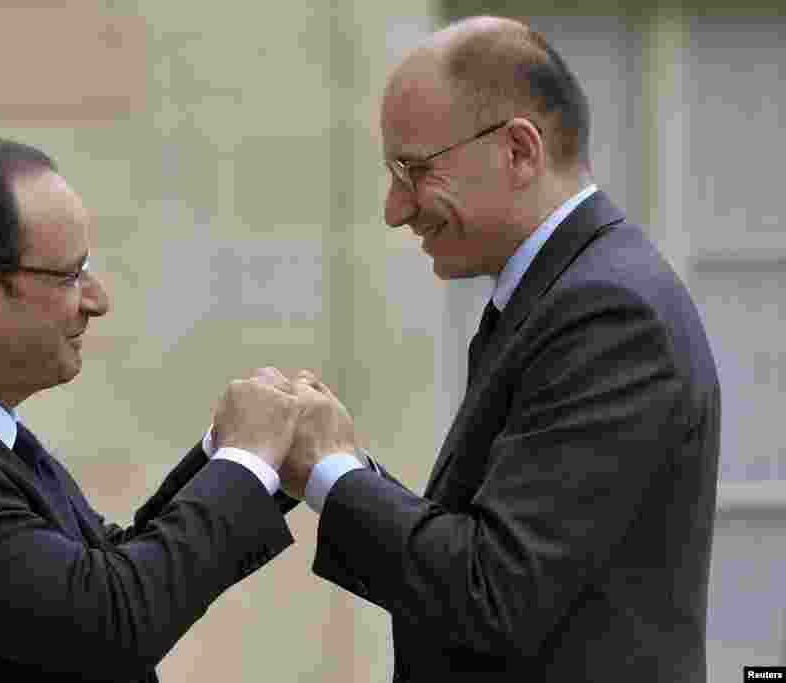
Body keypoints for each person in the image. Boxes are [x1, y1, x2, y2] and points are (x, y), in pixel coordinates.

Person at [270, 16, 720, 681]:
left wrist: (333, 476)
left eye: (413, 170)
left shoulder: (608, 314)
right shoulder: (559, 294)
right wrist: (338, 462)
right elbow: (484, 547)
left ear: (518, 151)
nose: (396, 208)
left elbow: (491, 591)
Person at [0, 138, 303, 682]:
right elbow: (111, 618)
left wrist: (248, 457)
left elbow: (99, 570)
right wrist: (247, 463)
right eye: (68, 276)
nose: (97, 300)